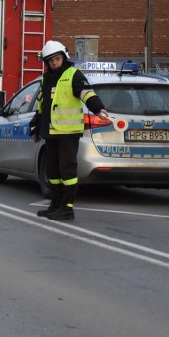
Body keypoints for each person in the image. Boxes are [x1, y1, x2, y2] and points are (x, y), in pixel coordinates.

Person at [29, 40, 109, 221]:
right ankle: (55, 204)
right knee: (53, 172)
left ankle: (67, 208)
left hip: (68, 133)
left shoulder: (73, 74)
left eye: (57, 59)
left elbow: (86, 93)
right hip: (50, 133)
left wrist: (98, 108)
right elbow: (42, 105)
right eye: (50, 61)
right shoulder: (46, 79)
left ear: (64, 58)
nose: (54, 63)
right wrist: (36, 127)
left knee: (68, 171)